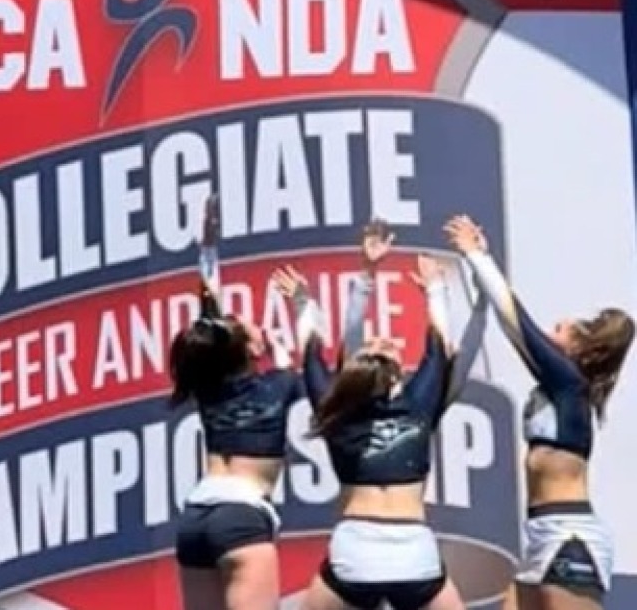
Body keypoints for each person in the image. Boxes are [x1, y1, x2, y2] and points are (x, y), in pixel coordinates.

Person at [279, 224, 488, 610]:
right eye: (382, 344)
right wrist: (435, 290)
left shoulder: (336, 410)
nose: (383, 341)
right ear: (395, 373)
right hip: (414, 553)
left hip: (354, 552)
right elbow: (438, 347)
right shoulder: (418, 407)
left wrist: (308, 302)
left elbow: (310, 352)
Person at [443, 215, 633, 609]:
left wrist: (477, 256)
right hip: (540, 533)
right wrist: (480, 268)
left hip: (570, 536)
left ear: (578, 350)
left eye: (559, 330)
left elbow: (516, 324)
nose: (549, 333)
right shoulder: (557, 388)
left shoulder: (570, 382)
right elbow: (504, 315)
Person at [168, 196, 301, 610]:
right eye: (249, 326)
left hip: (196, 517)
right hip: (241, 517)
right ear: (249, 349)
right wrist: (294, 316)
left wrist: (207, 246)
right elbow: (302, 365)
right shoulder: (276, 386)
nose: (254, 323)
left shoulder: (209, 382)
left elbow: (208, 305)